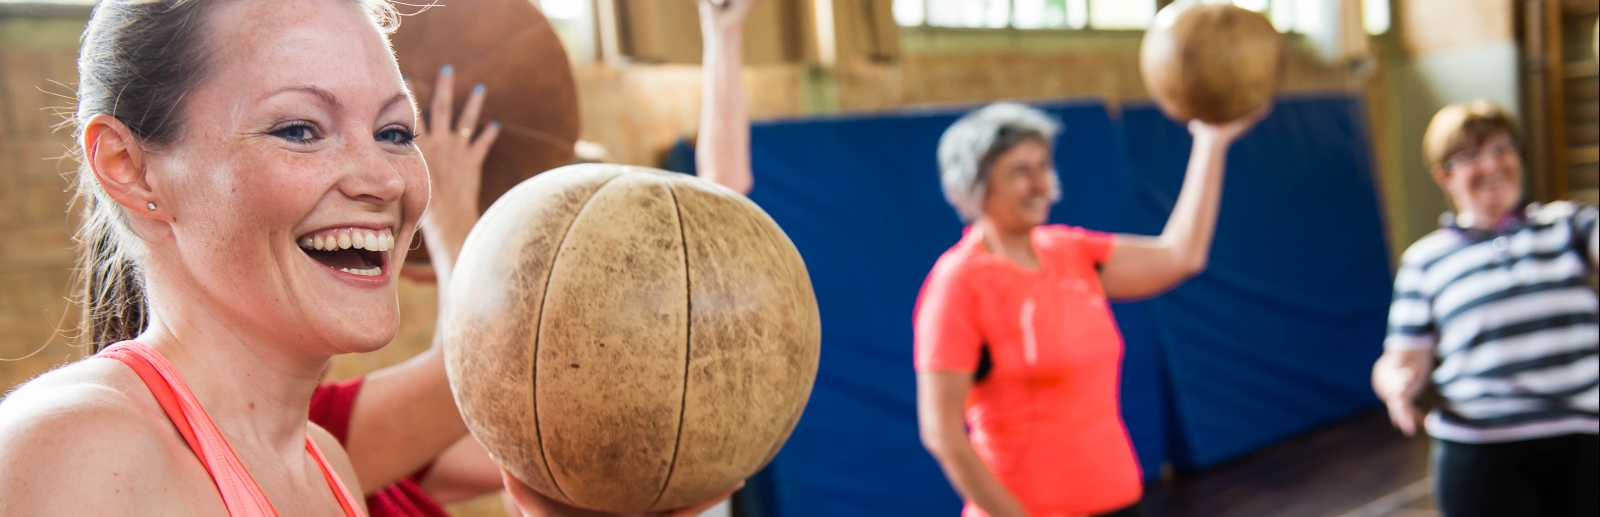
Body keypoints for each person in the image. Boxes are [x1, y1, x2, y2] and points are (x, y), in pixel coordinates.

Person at [0, 1, 732, 516]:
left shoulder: (325, 462)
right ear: (129, 166)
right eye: (298, 128)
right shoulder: (79, 450)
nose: (385, 179)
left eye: (393, 132)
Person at [306, 1, 761, 516]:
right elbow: (476, 369)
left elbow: (720, 231)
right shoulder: (326, 442)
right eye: (298, 131)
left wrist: (723, 38)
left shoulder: (361, 452)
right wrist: (450, 215)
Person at [914, 103, 1264, 517]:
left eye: (1043, 166)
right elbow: (941, 433)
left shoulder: (1070, 251)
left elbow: (1181, 255)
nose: (1039, 183)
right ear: (976, 186)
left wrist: (1211, 143)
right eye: (1019, 172)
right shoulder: (957, 284)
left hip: (1120, 501)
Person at [1370, 99, 1598, 517]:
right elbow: (1400, 357)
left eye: (1502, 149)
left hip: (1582, 436)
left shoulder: (1568, 225)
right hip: (1479, 447)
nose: (1491, 164)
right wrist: (1397, 385)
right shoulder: (1426, 260)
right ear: (1445, 176)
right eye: (1471, 155)